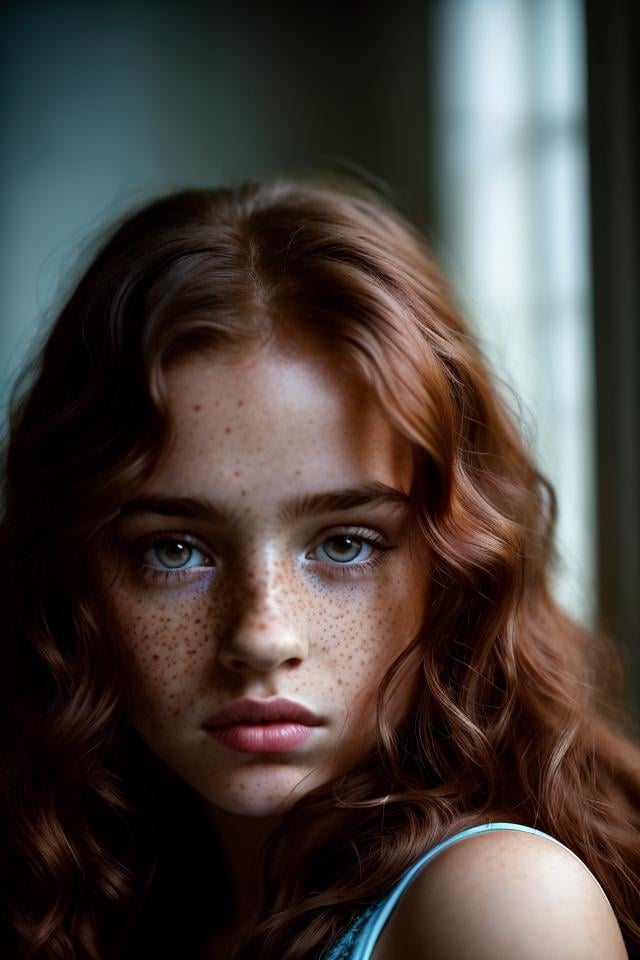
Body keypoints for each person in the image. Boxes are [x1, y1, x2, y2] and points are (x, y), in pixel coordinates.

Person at [1, 174, 639, 960]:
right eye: (174, 550)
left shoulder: (501, 908)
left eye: (345, 543)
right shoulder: (90, 892)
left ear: (453, 571)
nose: (263, 637)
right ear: (71, 576)